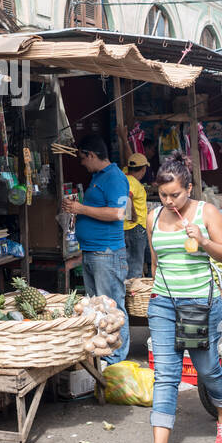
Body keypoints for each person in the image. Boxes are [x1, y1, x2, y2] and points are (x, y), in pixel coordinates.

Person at [134, 153, 222, 443]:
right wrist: (154, 292)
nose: (168, 201)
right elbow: (156, 261)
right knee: (166, 374)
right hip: (163, 303)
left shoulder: (206, 213)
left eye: (175, 195)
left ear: (189, 188)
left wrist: (204, 241)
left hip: (196, 303)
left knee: (206, 368)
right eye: (163, 195)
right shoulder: (153, 218)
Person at [63, 133, 131, 364]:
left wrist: (80, 209)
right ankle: (105, 356)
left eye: (83, 159)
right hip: (94, 251)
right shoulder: (98, 177)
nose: (82, 164)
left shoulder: (115, 178)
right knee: (97, 308)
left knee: (112, 307)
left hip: (107, 252)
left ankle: (117, 359)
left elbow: (118, 213)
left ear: (91, 155)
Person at [123, 153, 150, 280]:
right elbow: (127, 196)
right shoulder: (132, 181)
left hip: (125, 228)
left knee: (128, 263)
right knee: (135, 267)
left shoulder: (124, 176)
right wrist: (131, 216)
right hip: (135, 228)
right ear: (144, 169)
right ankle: (134, 294)